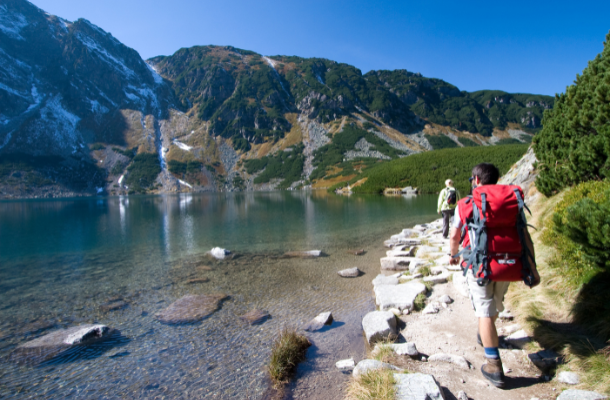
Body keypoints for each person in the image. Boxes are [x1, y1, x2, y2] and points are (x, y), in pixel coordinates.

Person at [449, 163, 540, 388]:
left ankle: (493, 365)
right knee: (494, 306)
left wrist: (452, 255)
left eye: (472, 180)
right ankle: (486, 335)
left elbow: (454, 235)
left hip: (479, 267)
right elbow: (525, 234)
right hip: (507, 266)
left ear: (477, 181)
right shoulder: (511, 204)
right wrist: (533, 268)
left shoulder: (466, 204)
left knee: (484, 312)